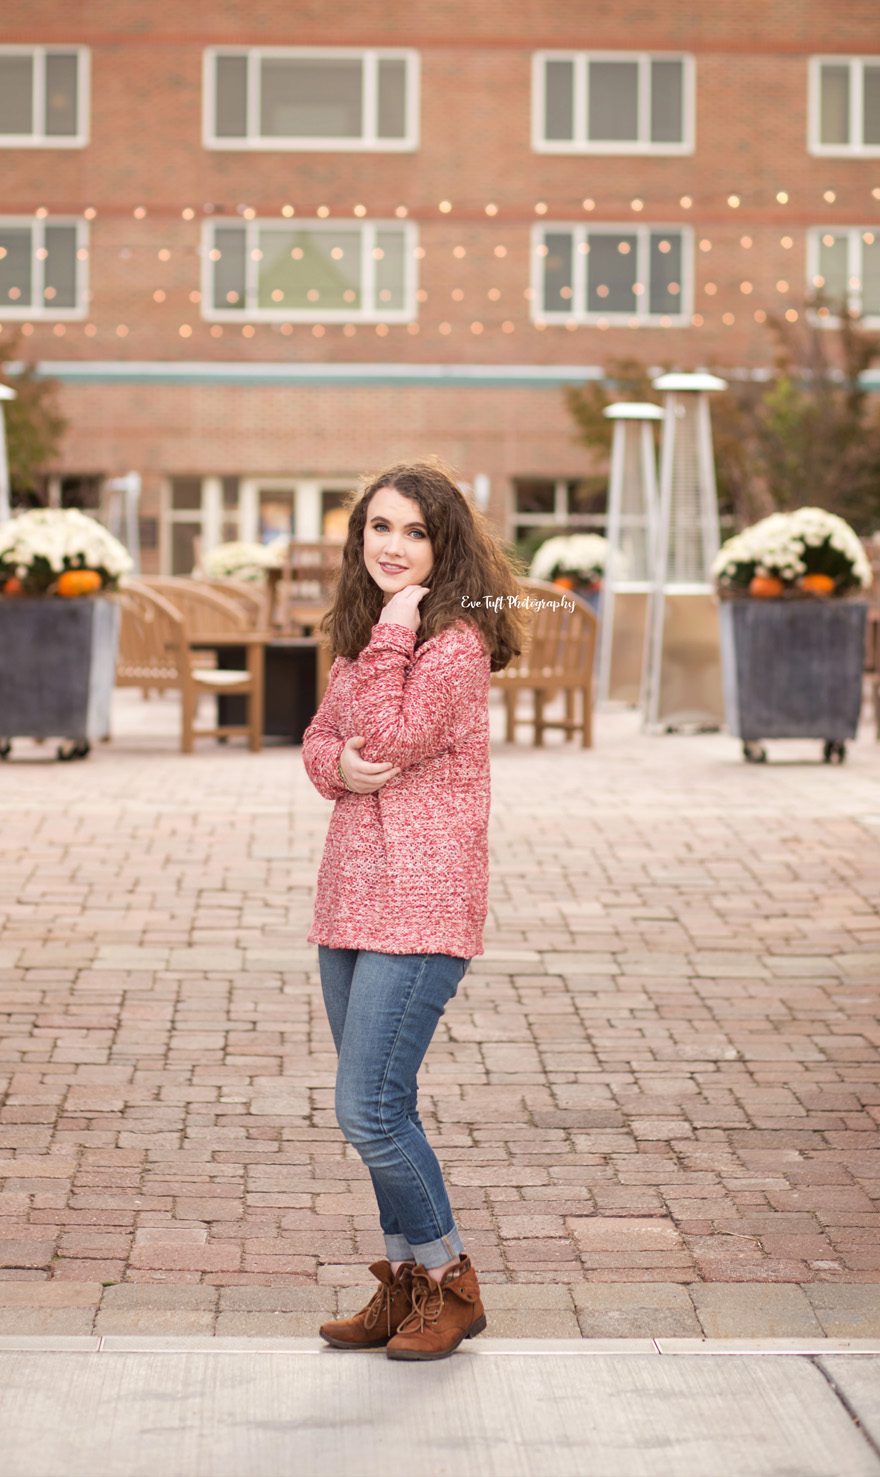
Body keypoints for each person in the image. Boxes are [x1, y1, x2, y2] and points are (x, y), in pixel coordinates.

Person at [299, 460, 526, 1361]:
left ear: (444, 545)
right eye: (380, 527)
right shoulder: (366, 634)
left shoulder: (453, 643)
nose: (392, 545)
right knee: (384, 1106)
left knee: (369, 1109)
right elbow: (322, 738)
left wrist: (394, 632)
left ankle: (450, 1280)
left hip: (422, 904)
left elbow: (394, 734)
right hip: (350, 898)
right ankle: (404, 1285)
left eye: (414, 531)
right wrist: (336, 766)